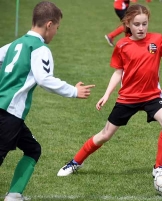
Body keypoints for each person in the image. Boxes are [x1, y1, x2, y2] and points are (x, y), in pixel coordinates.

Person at [57, 4, 162, 178]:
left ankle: (159, 168)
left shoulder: (157, 40)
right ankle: (75, 162)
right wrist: (107, 94)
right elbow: (118, 72)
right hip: (127, 98)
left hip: (152, 96)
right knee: (105, 135)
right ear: (127, 24)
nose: (141, 28)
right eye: (136, 24)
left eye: (144, 24)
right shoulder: (121, 45)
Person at [0, 1, 95, 201]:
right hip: (10, 113)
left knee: (33, 149)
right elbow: (44, 79)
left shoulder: (15, 44)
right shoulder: (40, 48)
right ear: (49, 24)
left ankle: (14, 195)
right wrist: (73, 91)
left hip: (8, 112)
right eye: (57, 28)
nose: (55, 33)